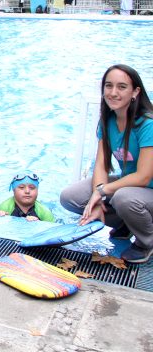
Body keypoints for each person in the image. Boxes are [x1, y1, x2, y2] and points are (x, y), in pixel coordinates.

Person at [61, 64, 153, 263]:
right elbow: (101, 165)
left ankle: (147, 242)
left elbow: (144, 177)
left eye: (121, 87)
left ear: (135, 92)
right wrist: (97, 197)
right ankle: (128, 223)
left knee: (123, 197)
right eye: (108, 86)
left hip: (146, 189)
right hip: (132, 187)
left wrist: (103, 192)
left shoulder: (147, 124)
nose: (113, 92)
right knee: (70, 197)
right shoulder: (108, 120)